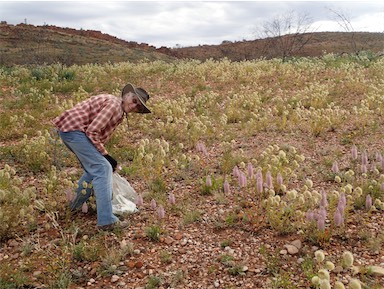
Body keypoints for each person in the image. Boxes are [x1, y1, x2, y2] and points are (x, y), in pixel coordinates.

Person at [52, 83, 151, 230]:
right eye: (135, 101)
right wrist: (107, 157)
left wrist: (104, 155)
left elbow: (95, 135)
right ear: (126, 96)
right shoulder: (114, 106)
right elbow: (92, 132)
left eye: (139, 108)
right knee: (102, 168)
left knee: (94, 170)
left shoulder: (119, 110)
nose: (134, 106)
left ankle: (75, 205)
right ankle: (106, 221)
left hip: (71, 131)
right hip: (75, 131)